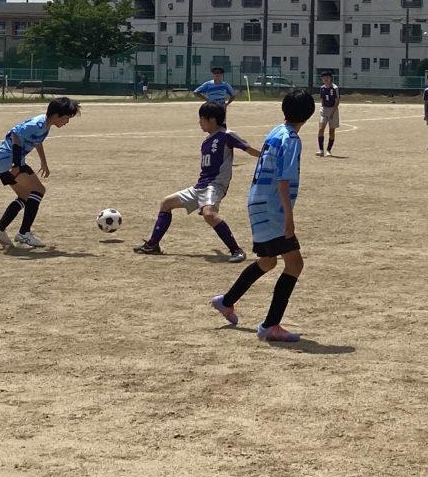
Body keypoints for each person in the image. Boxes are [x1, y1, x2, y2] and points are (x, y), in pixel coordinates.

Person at [211, 87, 315, 343]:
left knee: (268, 261)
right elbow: (283, 179)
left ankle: (226, 301)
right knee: (295, 264)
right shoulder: (291, 139)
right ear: (309, 114)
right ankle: (270, 325)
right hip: (273, 208)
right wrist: (289, 217)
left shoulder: (275, 132)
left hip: (257, 202)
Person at [133, 101, 260, 259]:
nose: (199, 122)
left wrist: (267, 157)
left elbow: (248, 149)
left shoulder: (226, 135)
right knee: (166, 203)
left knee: (209, 214)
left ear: (211, 119)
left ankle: (237, 250)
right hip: (200, 187)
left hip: (214, 186)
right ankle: (153, 245)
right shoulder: (206, 141)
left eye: (201, 119)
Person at [0, 97, 79, 249]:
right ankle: (24, 233)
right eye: (67, 118)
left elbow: (37, 141)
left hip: (2, 161)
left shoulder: (44, 125)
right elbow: (15, 135)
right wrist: (16, 165)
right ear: (57, 115)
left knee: (24, 196)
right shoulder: (37, 125)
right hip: (9, 160)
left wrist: (43, 162)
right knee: (39, 190)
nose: (67, 122)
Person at [316, 71, 341, 156]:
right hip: (324, 109)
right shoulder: (322, 88)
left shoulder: (335, 88)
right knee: (321, 128)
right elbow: (322, 99)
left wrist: (333, 113)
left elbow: (337, 101)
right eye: (323, 78)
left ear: (330, 78)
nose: (325, 79)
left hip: (333, 109)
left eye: (327, 77)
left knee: (331, 130)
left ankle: (328, 150)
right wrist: (322, 108)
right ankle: (321, 150)